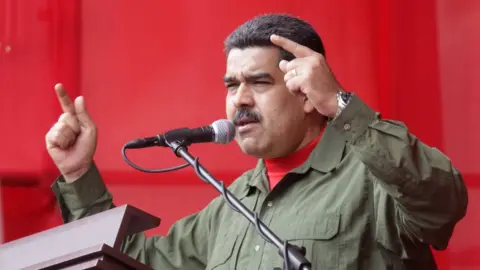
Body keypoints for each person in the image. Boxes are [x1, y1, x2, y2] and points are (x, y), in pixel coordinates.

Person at [46, 14, 468, 269]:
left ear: (305, 91)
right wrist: (79, 172)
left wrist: (340, 105)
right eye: (231, 85)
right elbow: (130, 263)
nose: (239, 99)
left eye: (259, 82)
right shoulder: (229, 207)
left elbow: (441, 201)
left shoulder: (371, 180)